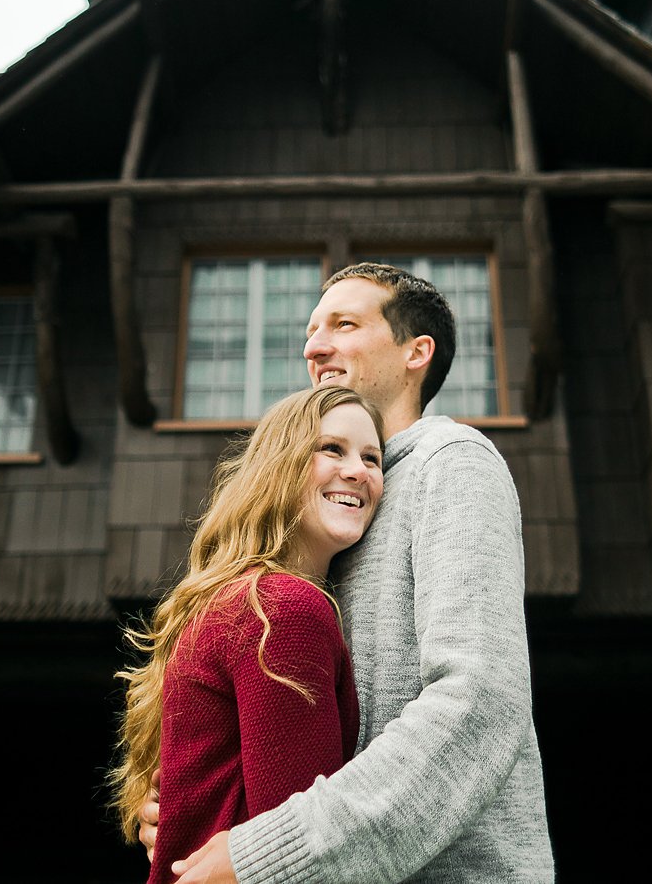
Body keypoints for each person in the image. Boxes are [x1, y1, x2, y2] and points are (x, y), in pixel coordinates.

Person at [147, 263, 554, 884]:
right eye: (312, 331)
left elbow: (481, 700)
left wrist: (270, 850)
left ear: (417, 352)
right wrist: (193, 805)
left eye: (343, 324)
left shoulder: (454, 465)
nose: (313, 346)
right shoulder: (331, 512)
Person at [111, 385, 387, 884]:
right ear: (279, 466)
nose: (358, 471)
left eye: (372, 457)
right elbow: (298, 857)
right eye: (331, 449)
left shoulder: (234, 602)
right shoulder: (283, 611)